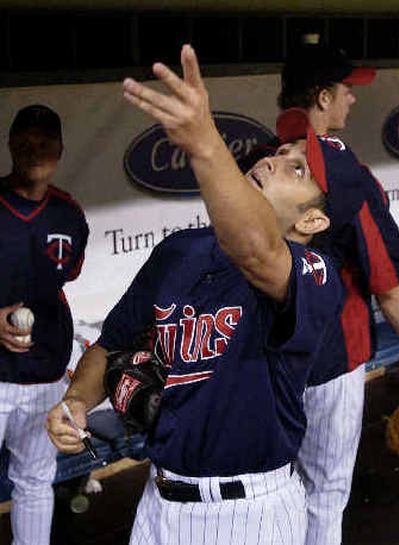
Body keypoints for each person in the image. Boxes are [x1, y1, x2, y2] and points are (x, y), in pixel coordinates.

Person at [46, 46, 370, 545]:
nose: (276, 162)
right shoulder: (181, 250)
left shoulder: (315, 276)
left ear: (313, 220)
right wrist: (76, 403)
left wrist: (203, 143)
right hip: (158, 503)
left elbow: (259, 250)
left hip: (250, 514)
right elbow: (110, 344)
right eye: (282, 153)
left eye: (298, 170)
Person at [279, 43, 399, 545]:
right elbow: (389, 287)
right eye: (347, 91)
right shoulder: (343, 169)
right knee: (325, 495)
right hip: (332, 357)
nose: (352, 100)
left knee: (277, 493)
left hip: (270, 359)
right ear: (322, 96)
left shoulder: (258, 159)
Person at [0, 104, 89, 545]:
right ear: (11, 143)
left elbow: (67, 277)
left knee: (35, 480)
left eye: (45, 141)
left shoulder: (69, 215)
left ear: (59, 150)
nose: (35, 149)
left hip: (46, 373)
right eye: (26, 139)